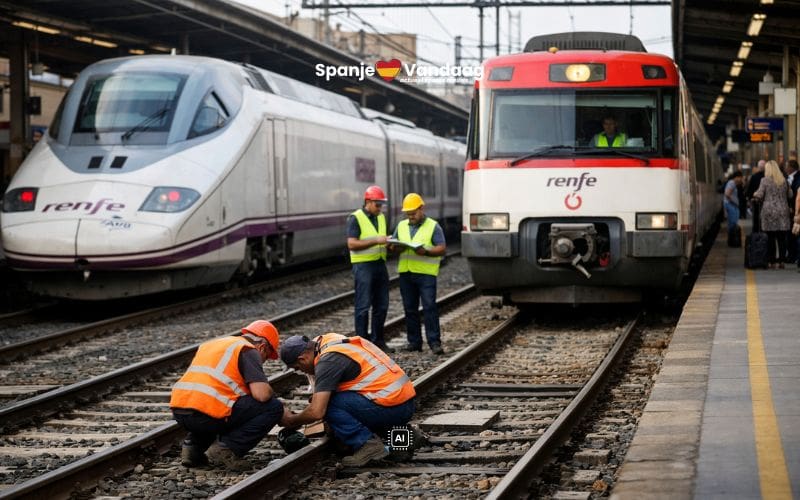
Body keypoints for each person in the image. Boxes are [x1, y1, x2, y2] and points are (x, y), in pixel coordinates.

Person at [279, 333, 416, 467]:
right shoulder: (329, 341)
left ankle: (367, 445)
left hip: (393, 407)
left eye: (298, 368)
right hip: (403, 402)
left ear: (302, 359)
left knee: (329, 404)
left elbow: (317, 411)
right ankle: (404, 438)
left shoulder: (327, 361)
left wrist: (292, 421)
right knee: (337, 408)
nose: (302, 372)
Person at [170, 320, 284, 471]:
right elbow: (261, 395)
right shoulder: (248, 350)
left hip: (180, 410)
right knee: (273, 407)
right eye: (267, 357)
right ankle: (227, 449)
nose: (264, 361)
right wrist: (274, 396)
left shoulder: (215, 344)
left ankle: (192, 449)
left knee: (222, 405)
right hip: (206, 414)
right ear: (262, 347)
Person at [388, 193, 447, 355]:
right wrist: (394, 246)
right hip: (406, 273)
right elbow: (394, 245)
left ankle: (434, 342)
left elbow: (441, 248)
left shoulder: (433, 226)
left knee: (429, 308)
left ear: (422, 209)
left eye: (413, 213)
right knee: (410, 309)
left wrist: (426, 251)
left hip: (426, 274)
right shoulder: (401, 226)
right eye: (408, 214)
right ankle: (414, 342)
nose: (410, 216)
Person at [346, 185, 391, 352]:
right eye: (377, 205)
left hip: (379, 264)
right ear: (368, 202)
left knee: (382, 305)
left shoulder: (380, 217)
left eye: (381, 205)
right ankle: (362, 344)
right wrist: (376, 241)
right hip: (363, 266)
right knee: (363, 306)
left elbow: (380, 239)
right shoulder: (355, 218)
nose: (380, 208)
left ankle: (378, 341)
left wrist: (389, 243)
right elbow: (352, 243)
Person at [753, 160, 792, 269]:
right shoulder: (783, 180)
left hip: (769, 212)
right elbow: (790, 194)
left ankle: (771, 261)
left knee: (770, 238)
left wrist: (754, 194)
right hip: (783, 212)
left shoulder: (764, 181)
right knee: (781, 238)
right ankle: (782, 262)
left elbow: (759, 195)